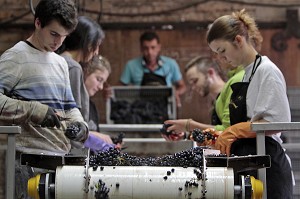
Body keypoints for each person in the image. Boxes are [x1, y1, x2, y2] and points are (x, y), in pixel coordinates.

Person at [0, 0, 88, 198]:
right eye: (54, 34)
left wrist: (80, 124)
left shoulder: (60, 63)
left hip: (61, 162)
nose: (58, 43)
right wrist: (33, 110)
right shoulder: (15, 57)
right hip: (28, 164)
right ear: (38, 23)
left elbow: (69, 106)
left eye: (64, 37)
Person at [206, 9, 293, 198]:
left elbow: (277, 122)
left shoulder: (267, 71)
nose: (221, 58)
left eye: (222, 51)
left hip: (268, 168)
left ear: (238, 40)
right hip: (250, 164)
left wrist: (234, 131)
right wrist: (220, 134)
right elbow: (250, 119)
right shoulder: (248, 73)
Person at [57, 16, 116, 151]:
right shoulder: (72, 67)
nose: (96, 52)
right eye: (97, 45)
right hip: (68, 149)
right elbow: (72, 120)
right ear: (88, 43)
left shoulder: (59, 61)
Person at [162, 56, 244, 142]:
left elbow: (228, 131)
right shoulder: (216, 101)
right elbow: (216, 135)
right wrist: (187, 135)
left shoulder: (232, 90)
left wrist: (189, 125)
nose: (193, 87)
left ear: (210, 73)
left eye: (195, 81)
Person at [120, 31, 186, 107]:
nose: (150, 52)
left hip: (166, 107)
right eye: (146, 48)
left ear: (159, 47)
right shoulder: (131, 65)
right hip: (140, 108)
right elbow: (118, 88)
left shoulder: (171, 64)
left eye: (153, 47)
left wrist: (176, 93)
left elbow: (182, 86)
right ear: (141, 48)